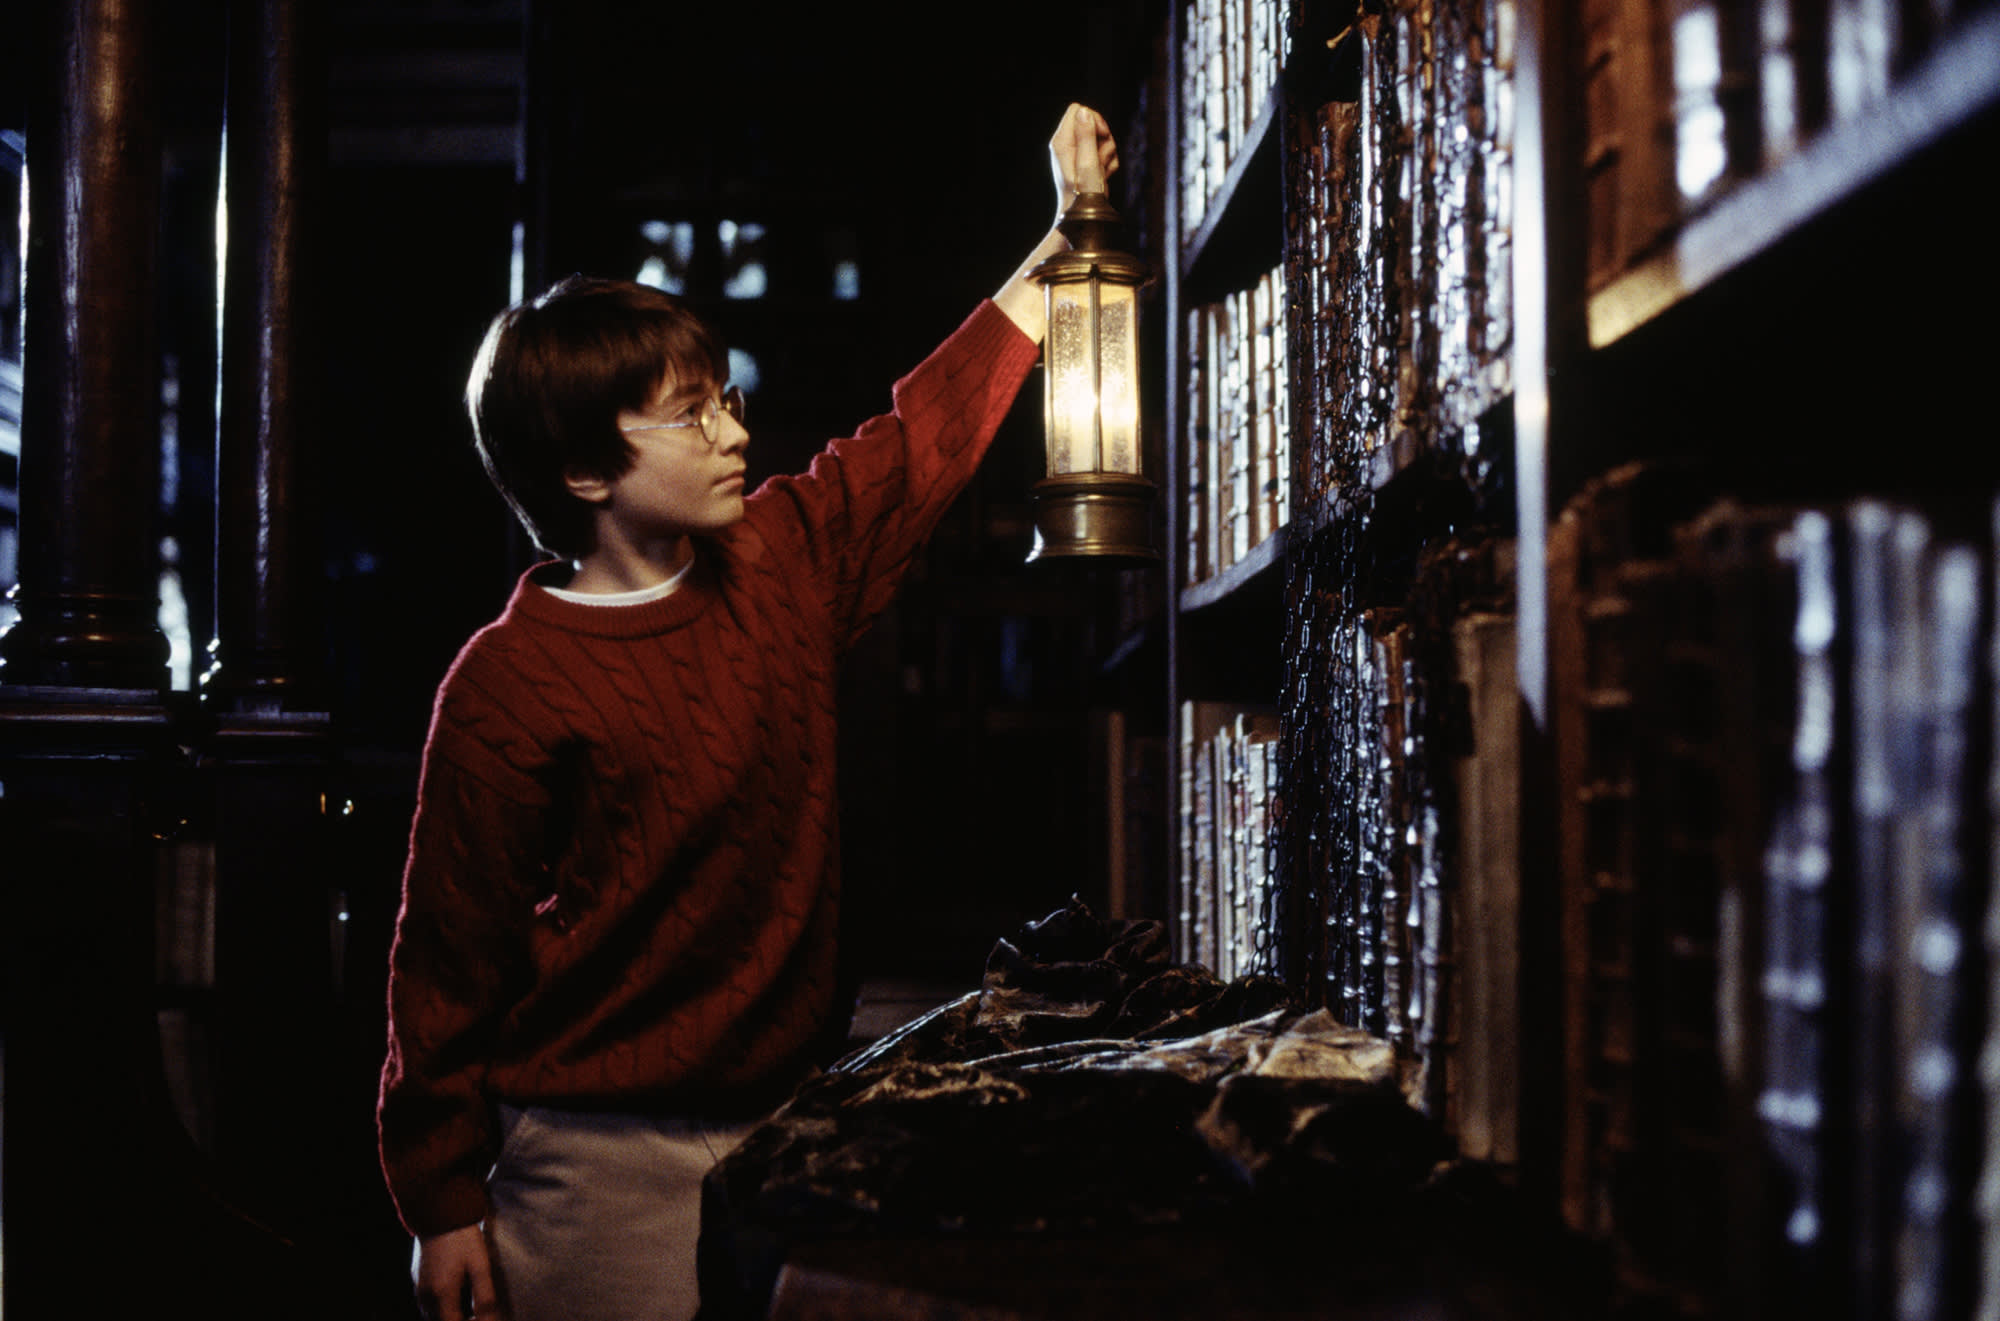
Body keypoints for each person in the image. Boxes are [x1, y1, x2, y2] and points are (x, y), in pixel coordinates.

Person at [377, 103, 1121, 1321]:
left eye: (725, 396)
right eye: (690, 413)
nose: (734, 430)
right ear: (582, 472)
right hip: (591, 1164)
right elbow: (445, 962)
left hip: (791, 1128)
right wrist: (441, 1204)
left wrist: (1067, 227)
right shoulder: (507, 683)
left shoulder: (780, 559)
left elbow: (916, 443)